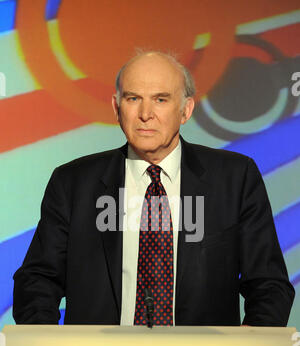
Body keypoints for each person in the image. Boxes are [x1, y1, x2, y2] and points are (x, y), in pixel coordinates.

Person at [13, 51, 295, 326]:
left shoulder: (235, 178)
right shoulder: (72, 182)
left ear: (185, 110)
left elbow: (269, 285)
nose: (145, 114)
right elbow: (37, 280)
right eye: (133, 98)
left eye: (161, 99)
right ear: (116, 107)